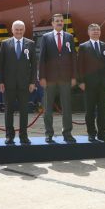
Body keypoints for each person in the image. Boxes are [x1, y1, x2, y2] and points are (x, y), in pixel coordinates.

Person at [0, 20, 38, 144]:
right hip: (8, 84)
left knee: (24, 111)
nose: (19, 31)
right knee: (8, 111)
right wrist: (0, 81)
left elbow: (34, 65)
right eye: (16, 29)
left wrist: (32, 82)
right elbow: (0, 65)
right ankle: (9, 136)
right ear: (12, 30)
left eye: (21, 29)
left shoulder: (30, 44)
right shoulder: (5, 44)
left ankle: (23, 136)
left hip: (25, 84)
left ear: (24, 30)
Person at [38, 13, 77, 143]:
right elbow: (42, 58)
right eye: (57, 21)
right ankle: (49, 133)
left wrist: (73, 76)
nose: (60, 22)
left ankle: (67, 133)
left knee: (67, 107)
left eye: (61, 21)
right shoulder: (45, 37)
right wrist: (41, 76)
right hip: (50, 78)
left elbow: (73, 58)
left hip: (66, 78)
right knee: (48, 108)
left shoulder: (69, 37)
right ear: (53, 23)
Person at [77, 23, 105, 142]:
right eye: (93, 30)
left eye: (97, 30)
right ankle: (91, 133)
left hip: (103, 84)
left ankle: (102, 132)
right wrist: (81, 81)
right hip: (89, 84)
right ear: (88, 32)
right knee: (90, 110)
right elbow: (80, 66)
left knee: (103, 109)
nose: (96, 32)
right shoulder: (83, 47)